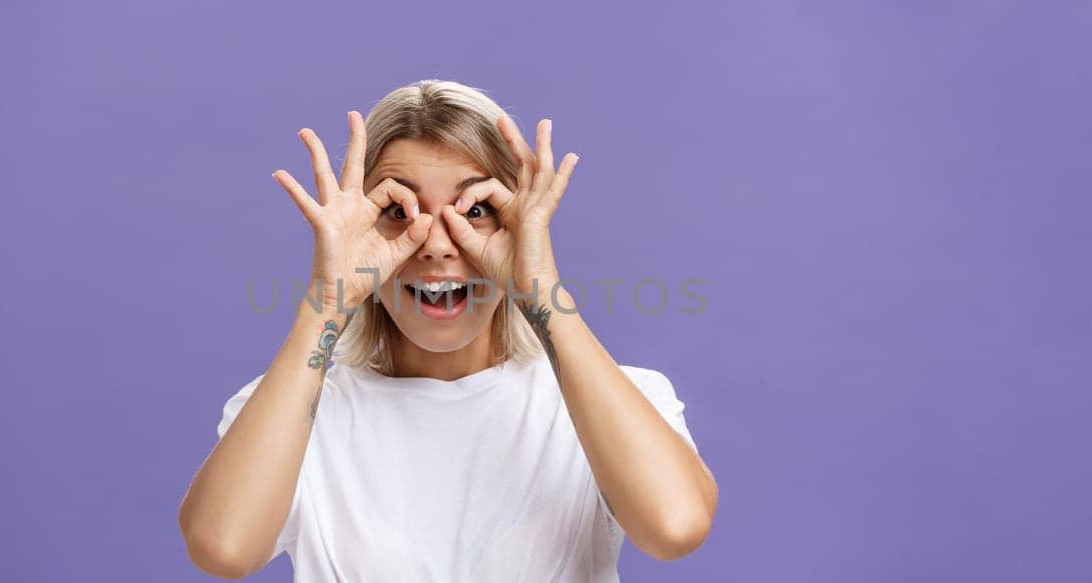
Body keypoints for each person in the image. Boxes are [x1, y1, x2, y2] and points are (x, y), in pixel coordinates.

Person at [178, 79, 718, 581]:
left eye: (477, 209)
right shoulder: (293, 412)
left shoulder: (613, 400)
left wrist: (540, 290)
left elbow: (674, 527)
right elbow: (224, 549)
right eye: (396, 210)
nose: (437, 244)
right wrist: (325, 305)